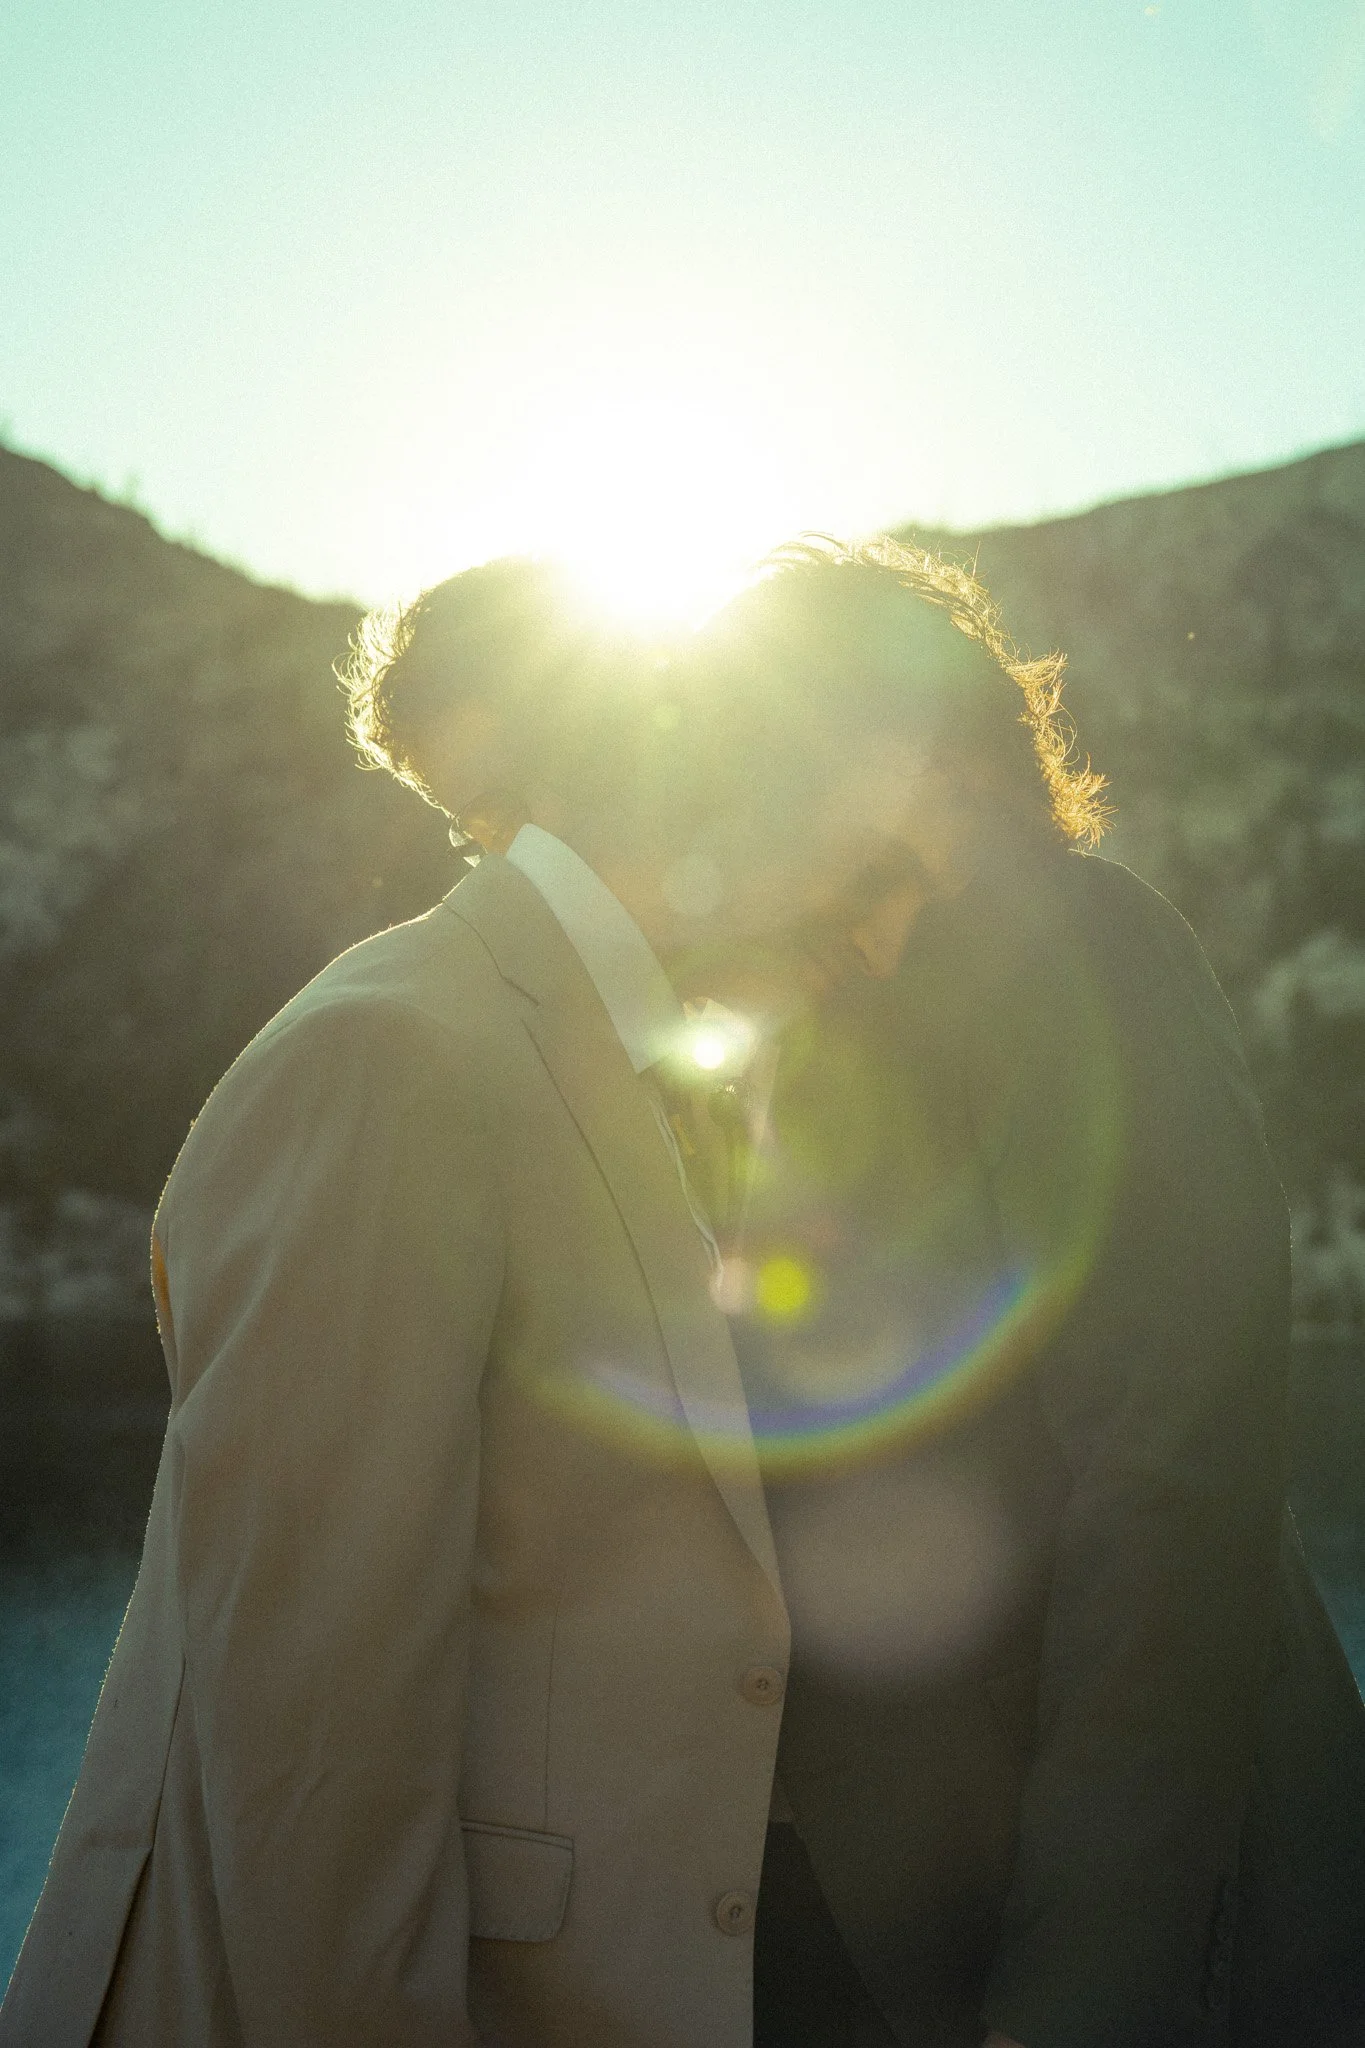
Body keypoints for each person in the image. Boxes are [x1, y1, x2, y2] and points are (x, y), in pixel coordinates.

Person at [1, 554, 990, 2048]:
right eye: (862, 860)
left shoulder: (622, 1059)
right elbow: (315, 1733)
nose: (876, 930)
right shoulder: (389, 1062)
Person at [689, 538, 1365, 2048]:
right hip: (886, 1917)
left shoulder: (1084, 950)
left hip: (1102, 1934)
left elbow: (1174, 1483)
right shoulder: (834, 1032)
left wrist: (1079, 1997)